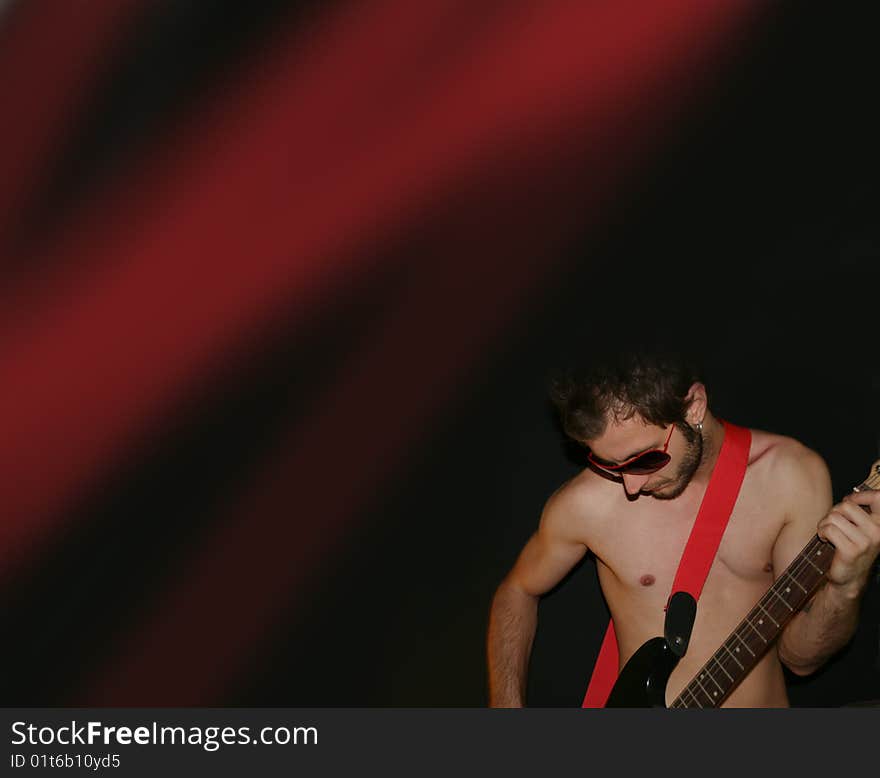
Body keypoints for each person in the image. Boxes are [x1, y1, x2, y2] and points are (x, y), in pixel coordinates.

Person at [486, 343, 880, 707]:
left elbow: (801, 659)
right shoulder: (587, 505)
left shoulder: (790, 477)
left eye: (642, 459)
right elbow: (517, 590)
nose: (630, 484)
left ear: (693, 406)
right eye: (608, 463)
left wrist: (845, 589)